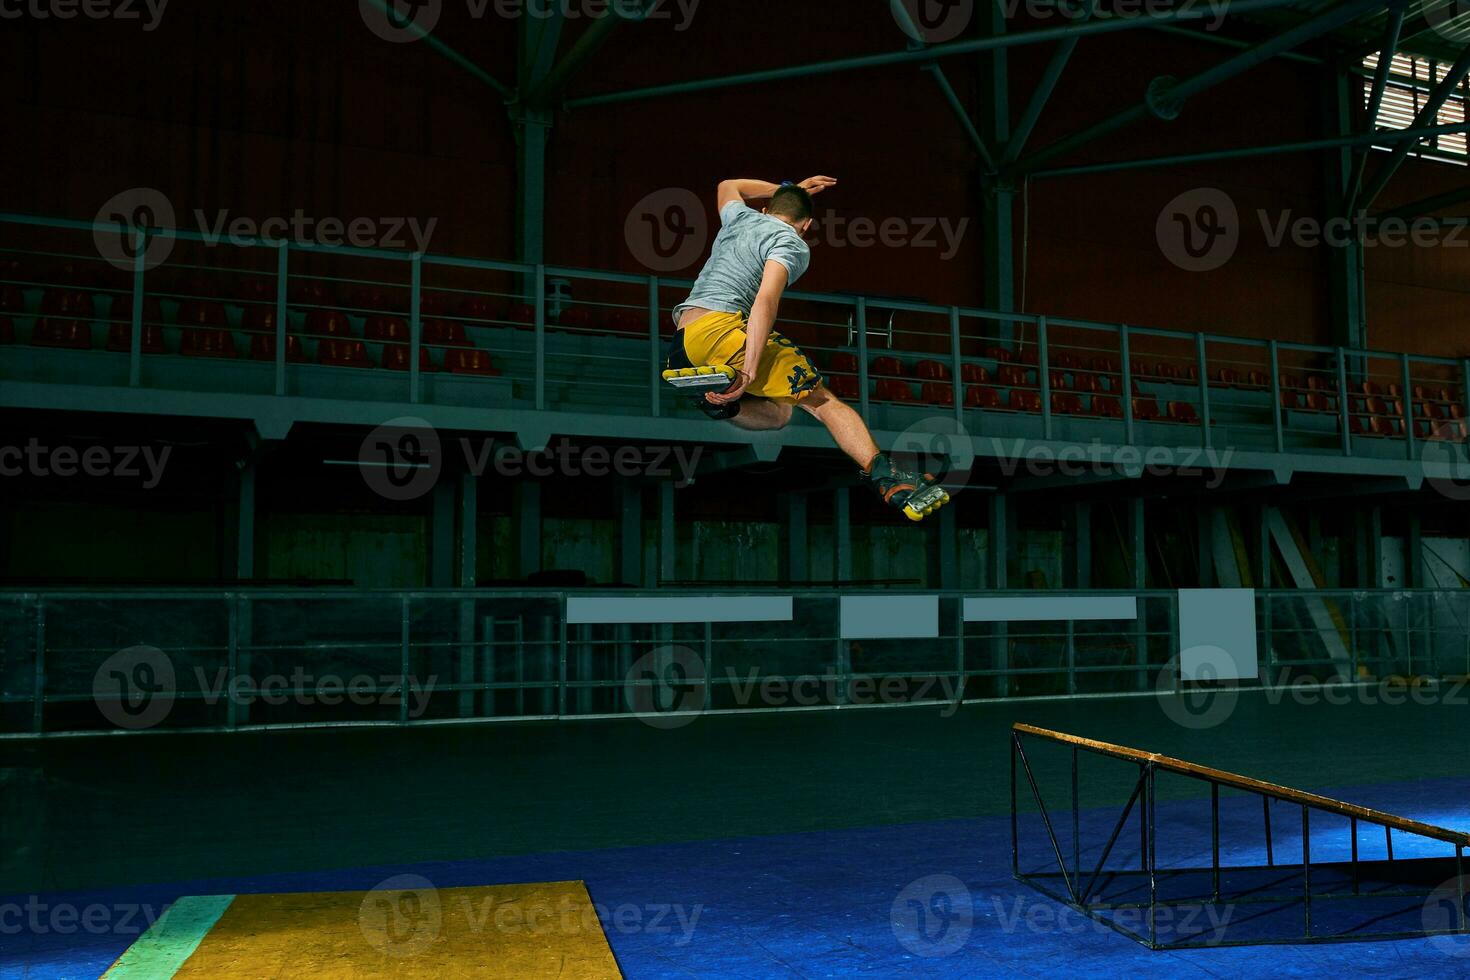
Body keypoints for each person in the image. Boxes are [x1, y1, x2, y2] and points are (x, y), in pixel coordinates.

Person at [664, 176, 948, 522]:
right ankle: (885, 477)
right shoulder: (790, 243)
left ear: (766, 208)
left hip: (683, 341)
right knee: (822, 402)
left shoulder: (740, 217)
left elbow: (728, 185)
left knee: (780, 413)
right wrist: (750, 366)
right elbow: (766, 302)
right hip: (722, 332)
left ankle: (716, 402)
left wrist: (788, 189)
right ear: (807, 225)